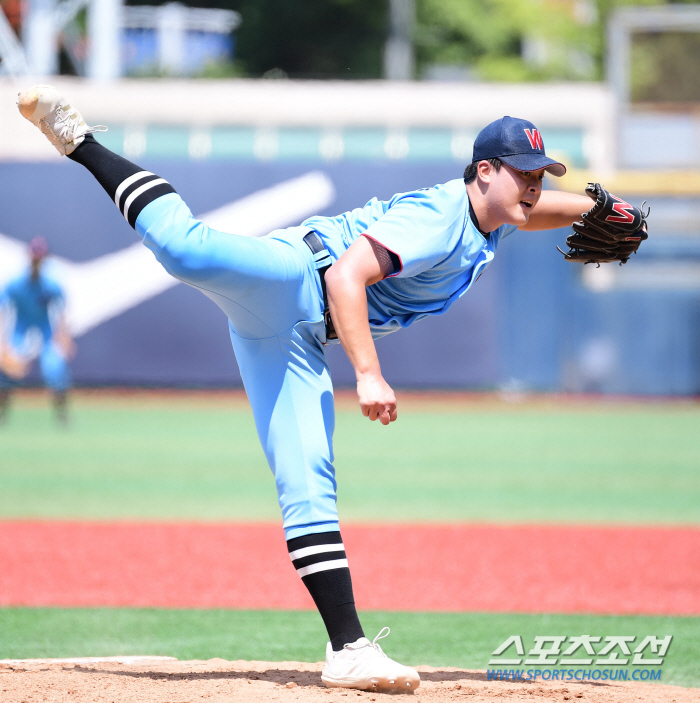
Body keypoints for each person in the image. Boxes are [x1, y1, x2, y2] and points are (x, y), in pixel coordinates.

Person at [17, 85, 597, 691]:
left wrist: (600, 207)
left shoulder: (492, 218)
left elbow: (537, 211)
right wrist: (368, 374)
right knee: (184, 249)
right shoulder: (441, 217)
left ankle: (348, 650)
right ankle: (79, 141)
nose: (534, 187)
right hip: (296, 276)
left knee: (306, 474)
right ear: (485, 171)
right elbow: (347, 277)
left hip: (294, 338)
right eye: (524, 173)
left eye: (539, 176)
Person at [0, 235, 74, 425]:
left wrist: (64, 338)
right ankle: (2, 414)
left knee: (54, 368)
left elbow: (62, 310)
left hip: (45, 330)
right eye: (34, 257)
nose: (37, 261)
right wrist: (3, 343)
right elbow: (3, 309)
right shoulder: (15, 284)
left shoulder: (51, 284)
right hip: (21, 329)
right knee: (7, 371)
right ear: (29, 257)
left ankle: (62, 415)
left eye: (40, 257)